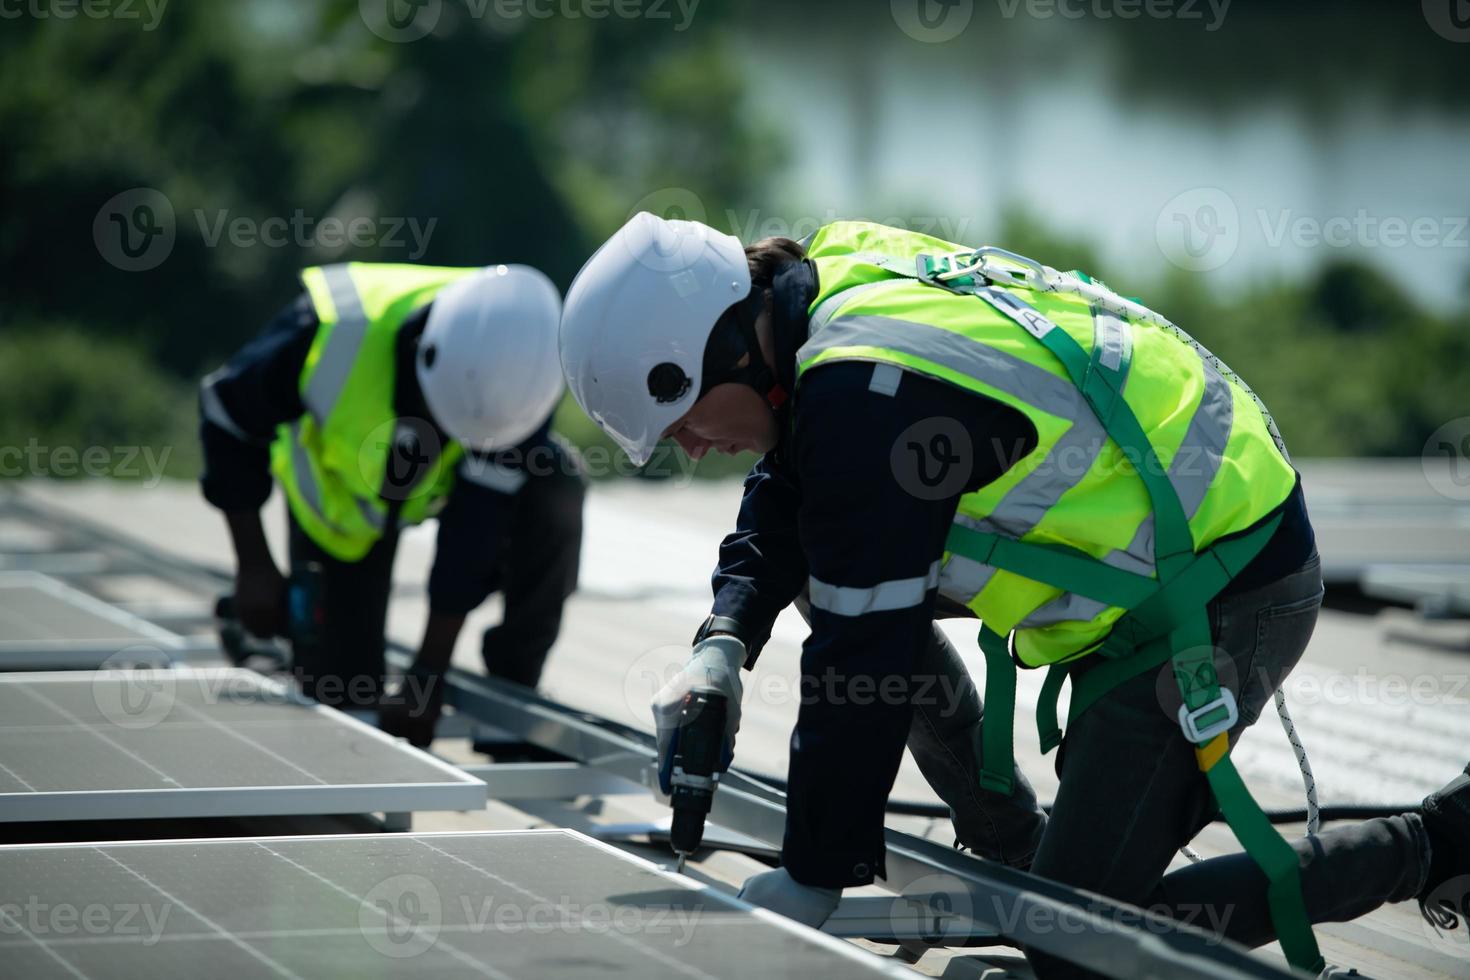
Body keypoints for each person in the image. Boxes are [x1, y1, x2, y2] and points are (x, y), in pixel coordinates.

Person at [558, 212, 1470, 976]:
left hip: (1222, 589)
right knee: (834, 570)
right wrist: (722, 641)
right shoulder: (828, 282)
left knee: (1081, 949)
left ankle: (1436, 843)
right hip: (1173, 534)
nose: (690, 449)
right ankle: (1014, 847)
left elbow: (863, 646)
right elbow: (797, 483)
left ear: (725, 353)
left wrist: (814, 874)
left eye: (682, 422)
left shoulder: (863, 395)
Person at [200, 261, 584, 746]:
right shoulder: (331, 328)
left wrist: (429, 669)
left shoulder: (523, 376)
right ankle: (255, 634)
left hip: (428, 494)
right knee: (341, 698)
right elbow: (225, 413)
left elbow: (474, 530)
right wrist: (254, 565)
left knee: (555, 484)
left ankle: (514, 685)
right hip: (338, 508)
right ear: (423, 356)